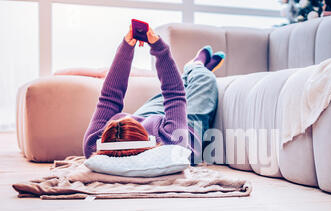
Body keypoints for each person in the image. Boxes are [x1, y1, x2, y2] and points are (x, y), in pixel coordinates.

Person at [83, 23, 225, 163]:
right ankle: (196, 67)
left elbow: (109, 98)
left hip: (149, 119)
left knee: (179, 88)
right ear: (148, 138)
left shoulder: (94, 147)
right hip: (186, 132)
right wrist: (159, 48)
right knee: (205, 81)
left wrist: (126, 48)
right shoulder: (173, 144)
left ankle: (191, 74)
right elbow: (174, 94)